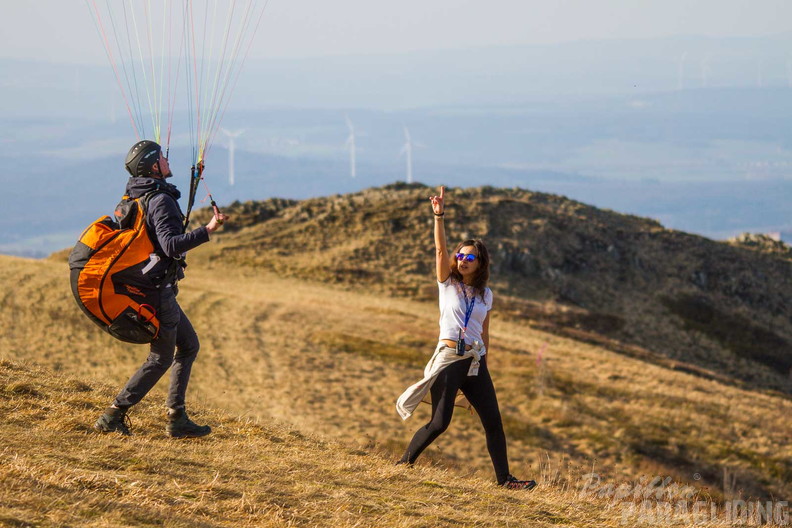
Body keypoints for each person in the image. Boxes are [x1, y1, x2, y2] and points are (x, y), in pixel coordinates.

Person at [396, 186, 537, 490]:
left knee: (494, 423)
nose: (461, 260)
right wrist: (439, 216)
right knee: (439, 423)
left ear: (480, 262)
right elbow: (439, 250)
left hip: (476, 361)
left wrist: (485, 366)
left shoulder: (486, 294)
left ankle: (505, 481)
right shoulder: (447, 284)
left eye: (469, 257)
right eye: (460, 256)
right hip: (450, 359)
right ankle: (403, 464)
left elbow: (485, 332)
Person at [94, 140, 228, 438]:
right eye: (163, 157)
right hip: (156, 291)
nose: (168, 159)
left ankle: (176, 416)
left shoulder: (135, 195)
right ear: (155, 166)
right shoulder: (160, 200)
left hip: (152, 286)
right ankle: (113, 414)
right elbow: (170, 245)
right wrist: (208, 230)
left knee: (189, 345)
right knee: (161, 357)